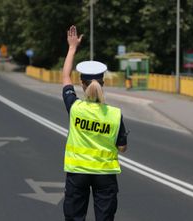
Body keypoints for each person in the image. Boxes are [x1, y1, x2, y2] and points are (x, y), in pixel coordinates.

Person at [62, 25, 128, 221]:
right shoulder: (115, 114)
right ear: (103, 83)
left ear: (82, 84)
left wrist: (72, 48)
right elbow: (122, 147)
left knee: (74, 217)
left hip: (77, 173)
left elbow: (65, 77)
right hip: (105, 175)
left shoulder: (75, 108)